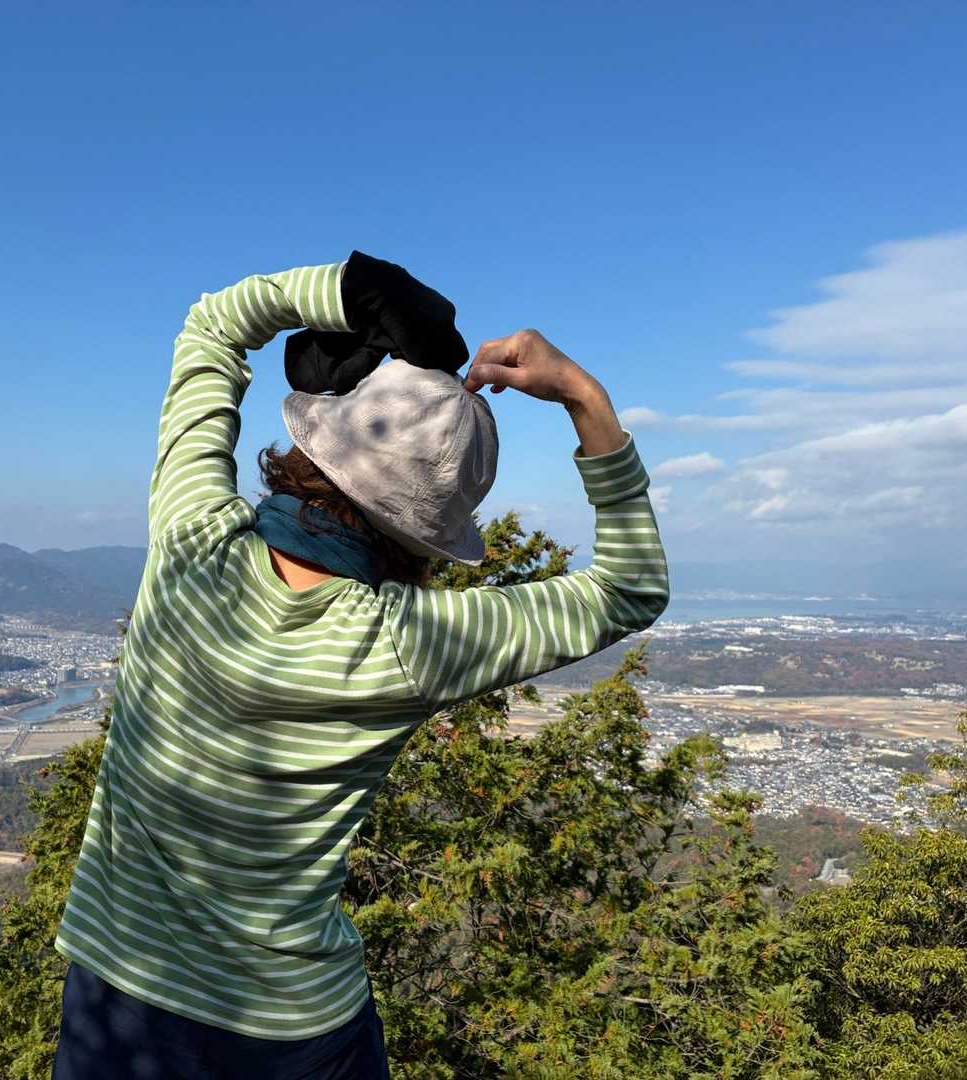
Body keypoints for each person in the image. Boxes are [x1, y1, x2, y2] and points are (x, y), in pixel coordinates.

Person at [50, 254, 670, 1079]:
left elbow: (212, 324)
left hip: (117, 1011)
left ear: (314, 444)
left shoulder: (191, 545)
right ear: (424, 534)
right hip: (296, 1029)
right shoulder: (407, 641)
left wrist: (353, 290)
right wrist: (584, 398)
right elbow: (631, 587)